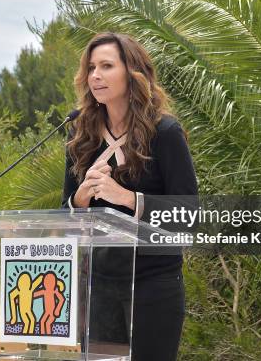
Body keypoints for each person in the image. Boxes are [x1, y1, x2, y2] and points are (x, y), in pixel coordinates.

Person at [61, 32, 198, 360]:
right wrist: (78, 201)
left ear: (132, 72)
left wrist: (127, 198)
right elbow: (64, 218)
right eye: (91, 68)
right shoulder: (81, 136)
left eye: (106, 66)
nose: (95, 75)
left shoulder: (165, 134)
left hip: (153, 286)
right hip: (98, 285)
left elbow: (188, 215)